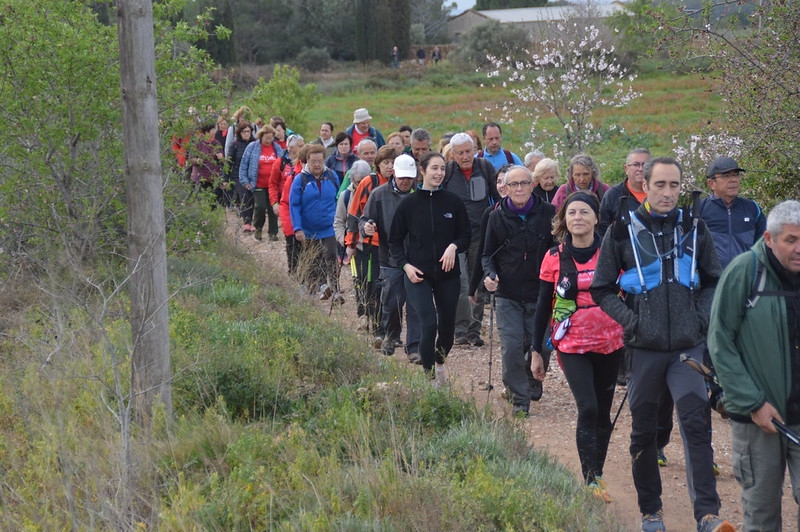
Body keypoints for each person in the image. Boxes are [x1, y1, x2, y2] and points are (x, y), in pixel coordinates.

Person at [590, 157, 733, 532]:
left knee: (696, 427)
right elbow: (602, 288)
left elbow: (714, 280)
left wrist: (699, 320)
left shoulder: (694, 227)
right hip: (644, 349)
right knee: (645, 432)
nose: (667, 192)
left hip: (687, 351)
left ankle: (707, 513)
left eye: (674, 185)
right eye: (660, 185)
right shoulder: (622, 230)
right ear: (645, 184)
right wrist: (632, 322)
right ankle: (650, 512)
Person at [708, 200, 800, 532]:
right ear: (770, 238)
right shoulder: (745, 272)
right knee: (761, 514)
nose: (798, 248)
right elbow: (720, 343)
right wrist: (753, 403)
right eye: (790, 240)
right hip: (758, 418)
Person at [531, 191, 623, 502]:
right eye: (572, 213)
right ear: (564, 220)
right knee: (588, 407)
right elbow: (543, 306)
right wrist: (536, 352)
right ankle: (589, 480)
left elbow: (631, 295)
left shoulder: (613, 254)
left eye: (584, 212)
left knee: (604, 411)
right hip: (571, 343)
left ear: (597, 218)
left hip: (611, 342)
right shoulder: (554, 257)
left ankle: (597, 471)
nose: (578, 218)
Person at [389, 152, 471, 385]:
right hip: (418, 275)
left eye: (442, 169)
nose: (439, 173)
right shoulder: (408, 204)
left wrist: (454, 247)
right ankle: (429, 378)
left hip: (447, 274)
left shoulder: (453, 202)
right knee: (428, 323)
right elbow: (394, 242)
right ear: (422, 171)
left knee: (446, 326)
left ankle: (440, 363)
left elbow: (466, 234)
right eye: (434, 168)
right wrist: (405, 266)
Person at [481, 165, 555, 417]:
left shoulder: (549, 213)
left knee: (542, 347)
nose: (520, 189)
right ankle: (519, 399)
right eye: (514, 185)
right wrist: (489, 275)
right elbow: (486, 255)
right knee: (512, 347)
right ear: (506, 188)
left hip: (541, 294)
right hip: (508, 295)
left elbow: (559, 251)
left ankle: (532, 377)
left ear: (533, 185)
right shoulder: (496, 217)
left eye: (524, 183)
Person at [362, 154, 421, 362]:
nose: (405, 181)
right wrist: (366, 227)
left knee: (415, 304)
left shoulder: (422, 195)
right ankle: (391, 335)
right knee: (392, 302)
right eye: (402, 176)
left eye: (409, 177)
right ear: (394, 173)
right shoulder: (379, 195)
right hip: (389, 258)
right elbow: (365, 219)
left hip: (417, 259)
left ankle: (414, 347)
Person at [444, 133, 499, 346]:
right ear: (453, 154)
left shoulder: (485, 168)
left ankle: (474, 331)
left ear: (475, 150)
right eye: (460, 153)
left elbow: (497, 198)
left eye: (468, 151)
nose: (465, 156)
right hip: (455, 236)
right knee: (460, 282)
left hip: (481, 234)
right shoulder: (447, 172)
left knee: (478, 283)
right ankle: (460, 329)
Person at [345, 146, 399, 343]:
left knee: (390, 288)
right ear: (378, 165)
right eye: (386, 163)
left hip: (395, 246)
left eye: (393, 163)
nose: (390, 167)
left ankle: (386, 329)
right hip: (370, 244)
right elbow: (353, 213)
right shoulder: (369, 183)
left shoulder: (403, 183)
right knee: (371, 284)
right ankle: (373, 323)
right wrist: (350, 243)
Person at [289, 144, 340, 296]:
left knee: (331, 255)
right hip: (309, 228)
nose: (317, 164)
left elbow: (338, 199)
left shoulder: (331, 176)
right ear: (307, 161)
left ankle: (336, 289)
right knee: (313, 258)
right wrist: (297, 228)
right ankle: (316, 287)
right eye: (313, 161)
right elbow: (294, 205)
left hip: (329, 226)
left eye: (320, 161)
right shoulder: (300, 180)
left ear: (324, 160)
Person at [699, 156, 766, 269]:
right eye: (726, 176)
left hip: (746, 280)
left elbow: (764, 246)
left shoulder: (753, 208)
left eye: (736, 175)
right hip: (712, 283)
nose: (733, 180)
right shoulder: (699, 210)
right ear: (711, 183)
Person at [239, 125, 284, 241]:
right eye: (266, 138)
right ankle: (258, 229)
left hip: (273, 185)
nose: (268, 141)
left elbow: (283, 164)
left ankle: (273, 233)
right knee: (260, 206)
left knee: (273, 208)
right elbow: (244, 165)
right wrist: (244, 180)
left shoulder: (277, 148)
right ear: (261, 137)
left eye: (271, 138)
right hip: (257, 183)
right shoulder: (252, 147)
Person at [598, 148, 651, 237]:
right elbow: (602, 230)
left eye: (645, 165)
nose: (641, 169)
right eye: (636, 164)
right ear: (626, 169)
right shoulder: (613, 195)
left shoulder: (658, 193)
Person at [279, 142, 307, 276]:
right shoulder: (293, 177)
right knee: (295, 257)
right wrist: (291, 228)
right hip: (293, 225)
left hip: (313, 226)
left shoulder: (324, 177)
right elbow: (285, 203)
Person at [226, 121, 256, 231]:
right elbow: (229, 162)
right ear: (240, 133)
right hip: (238, 175)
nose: (246, 134)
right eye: (244, 132)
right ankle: (246, 222)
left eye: (248, 131)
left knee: (251, 197)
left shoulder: (255, 144)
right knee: (245, 196)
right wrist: (225, 178)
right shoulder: (235, 145)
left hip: (252, 175)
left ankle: (250, 220)